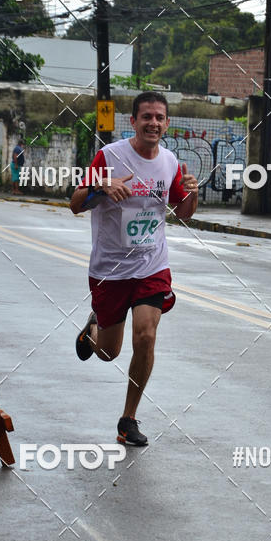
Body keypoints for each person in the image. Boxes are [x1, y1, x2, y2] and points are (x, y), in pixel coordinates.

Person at [69, 92, 199, 445]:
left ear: (167, 123)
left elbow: (183, 213)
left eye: (159, 117)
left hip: (152, 265)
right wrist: (101, 185)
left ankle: (128, 419)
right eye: (146, 117)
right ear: (134, 122)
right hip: (110, 269)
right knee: (109, 352)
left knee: (146, 336)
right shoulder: (109, 156)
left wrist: (191, 193)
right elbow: (75, 204)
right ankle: (93, 329)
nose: (153, 123)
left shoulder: (170, 162)